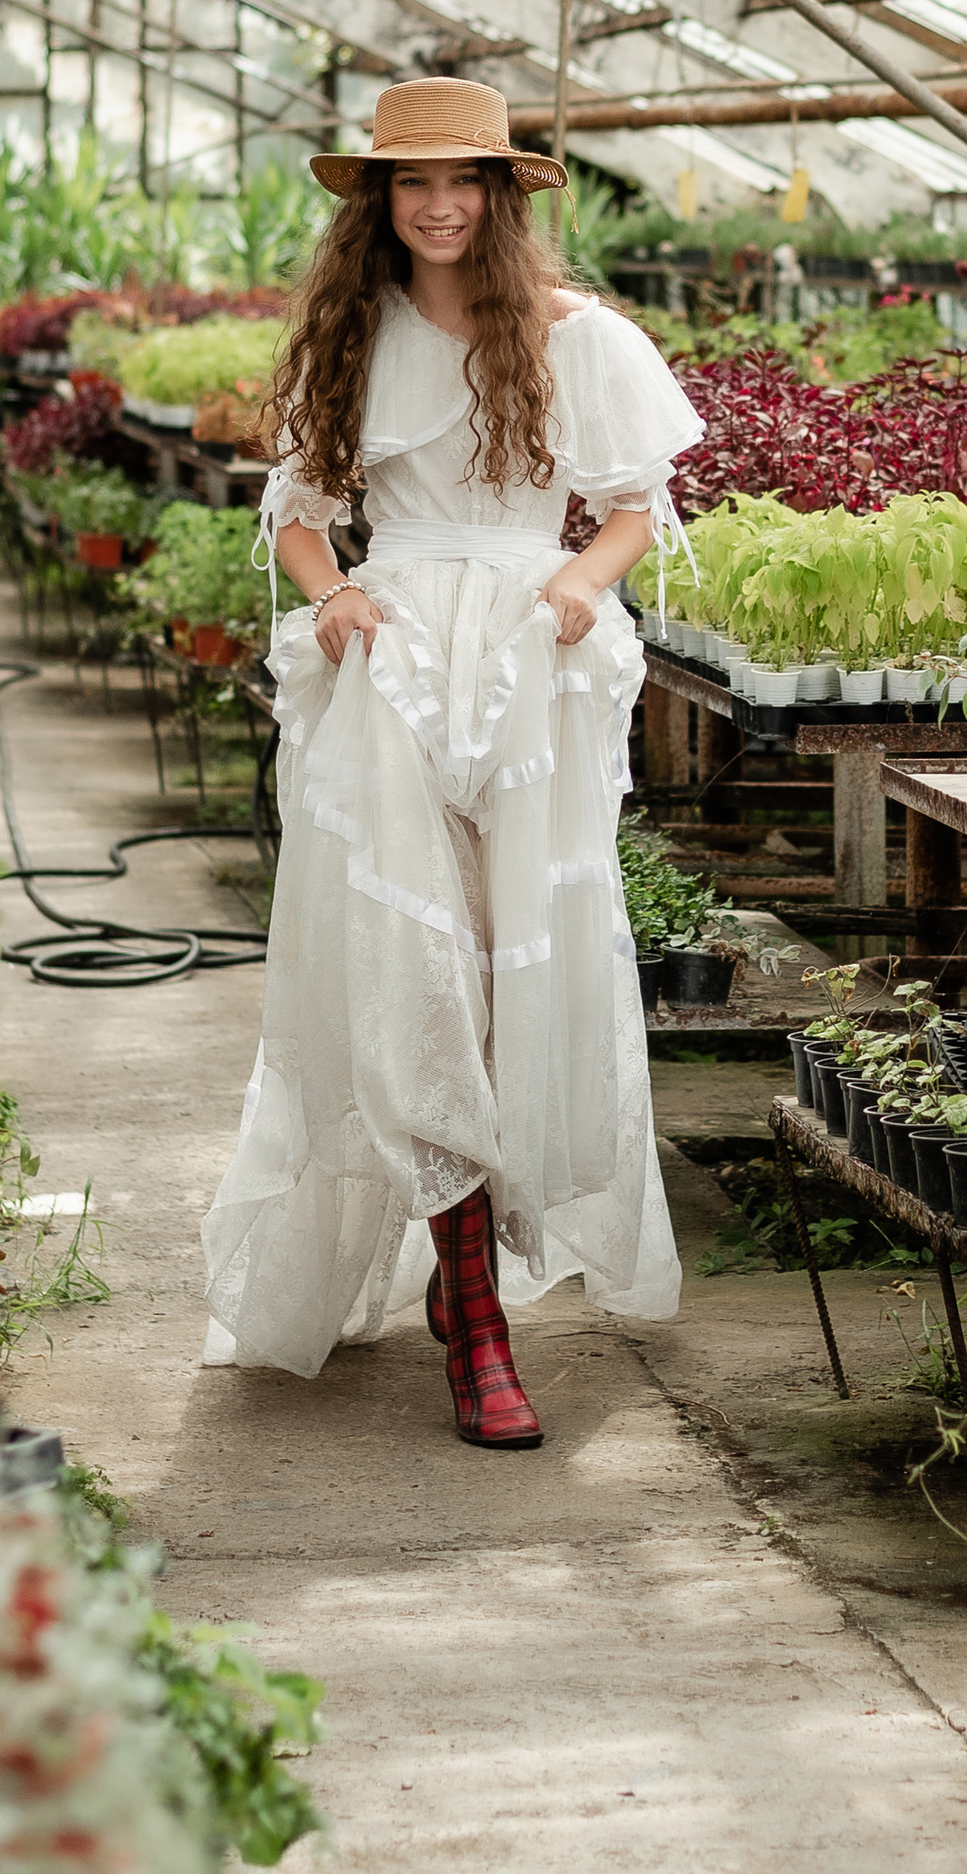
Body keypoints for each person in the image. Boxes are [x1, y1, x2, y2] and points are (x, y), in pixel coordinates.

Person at [200, 79, 704, 1449]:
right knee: (415, 965)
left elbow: (632, 507)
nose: (436, 205)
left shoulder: (574, 335)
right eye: (411, 182)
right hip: (402, 658)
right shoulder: (352, 337)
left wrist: (584, 583)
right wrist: (332, 596)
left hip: (532, 662)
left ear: (497, 194)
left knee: (511, 968)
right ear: (380, 200)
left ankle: (475, 1255)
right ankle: (476, 1316)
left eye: (461, 180)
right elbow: (298, 515)